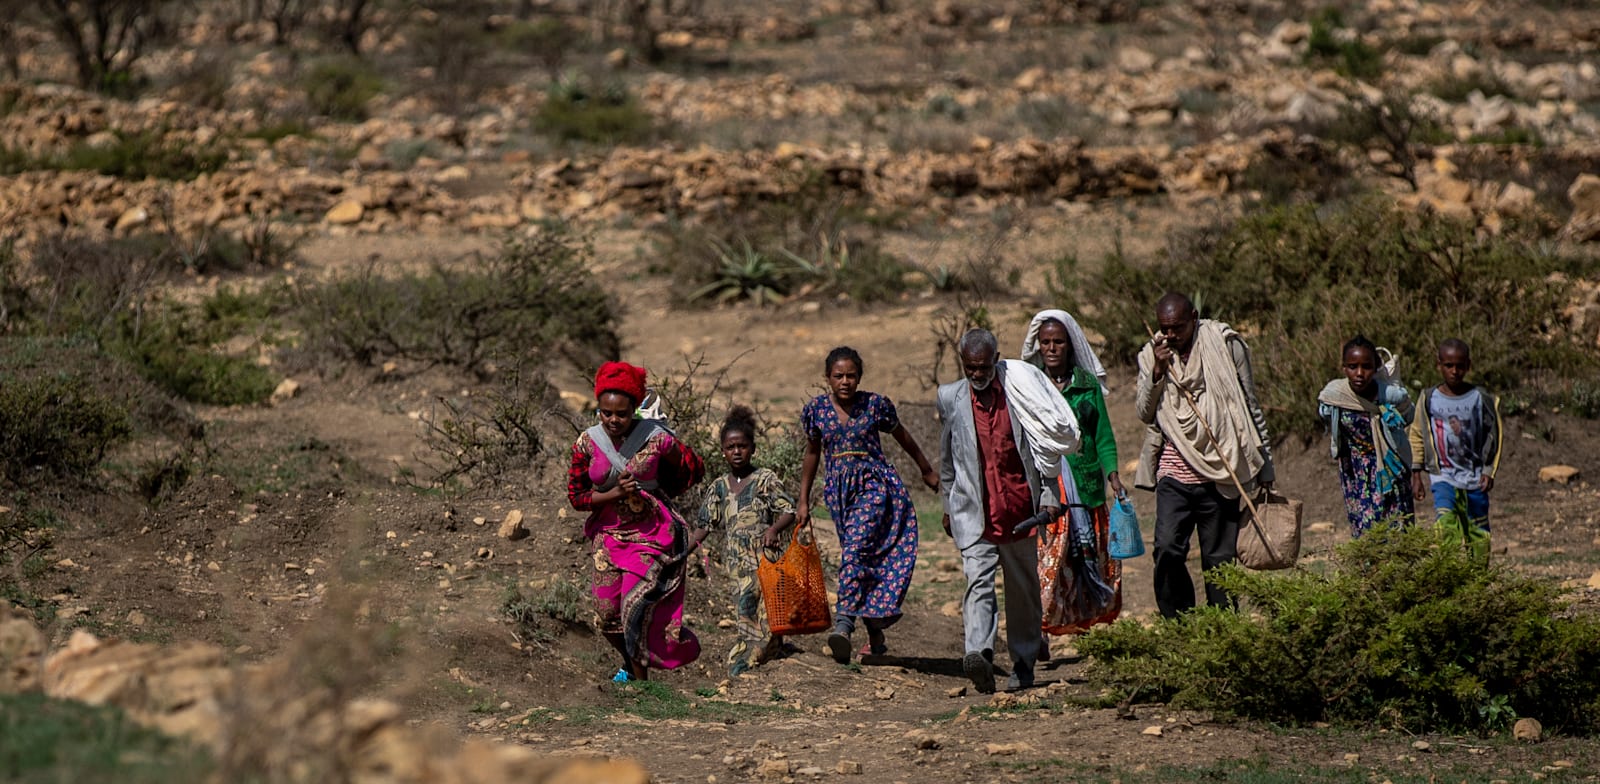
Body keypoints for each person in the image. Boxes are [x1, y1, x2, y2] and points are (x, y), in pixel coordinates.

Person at [939, 329, 1081, 693]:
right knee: (977, 583)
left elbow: (1043, 450)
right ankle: (980, 655)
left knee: (1022, 593)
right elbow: (947, 460)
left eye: (983, 366)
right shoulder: (950, 397)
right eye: (970, 367)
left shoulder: (1019, 393)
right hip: (975, 513)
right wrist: (947, 505)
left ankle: (1023, 662)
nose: (976, 374)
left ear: (996, 359)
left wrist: (1049, 494)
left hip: (1020, 512)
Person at [1135, 293, 1274, 618]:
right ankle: (1180, 623)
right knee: (1167, 548)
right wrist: (1158, 370)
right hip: (1174, 472)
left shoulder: (1225, 345)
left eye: (1178, 328)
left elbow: (1249, 403)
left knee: (1219, 560)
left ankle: (1221, 630)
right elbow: (1144, 411)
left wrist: (1266, 465)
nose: (1170, 335)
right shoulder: (1150, 354)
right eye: (1164, 328)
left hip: (1222, 470)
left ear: (1194, 318)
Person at [567, 361, 706, 681]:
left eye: (621, 414)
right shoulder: (587, 443)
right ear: (598, 409)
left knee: (634, 608)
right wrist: (613, 493)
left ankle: (641, 687)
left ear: (635, 410)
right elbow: (577, 497)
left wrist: (666, 469)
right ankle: (631, 664)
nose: (613, 420)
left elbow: (694, 469)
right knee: (606, 615)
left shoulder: (656, 438)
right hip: (609, 534)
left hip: (652, 533)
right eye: (606, 413)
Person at [798, 347, 938, 665]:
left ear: (859, 377)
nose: (845, 381)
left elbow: (902, 435)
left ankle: (844, 623)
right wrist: (803, 500)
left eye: (851, 375)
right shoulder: (817, 410)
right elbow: (812, 454)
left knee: (854, 553)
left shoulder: (875, 405)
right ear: (828, 378)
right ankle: (875, 633)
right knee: (862, 560)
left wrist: (926, 469)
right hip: (838, 492)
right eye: (838, 376)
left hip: (876, 488)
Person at [1021, 309, 1123, 635]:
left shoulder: (1086, 385)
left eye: (1058, 342)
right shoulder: (1029, 386)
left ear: (1069, 345)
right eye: (1046, 342)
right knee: (1047, 566)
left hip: (1085, 485)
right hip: (1047, 488)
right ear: (1038, 345)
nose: (1051, 348)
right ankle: (1039, 630)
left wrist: (1113, 474)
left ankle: (1084, 627)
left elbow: (1102, 435)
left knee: (1085, 561)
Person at [697, 405, 799, 677]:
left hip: (765, 557)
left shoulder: (764, 479)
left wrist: (774, 530)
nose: (737, 451)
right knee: (745, 610)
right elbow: (706, 524)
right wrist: (685, 547)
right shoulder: (719, 486)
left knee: (768, 610)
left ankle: (762, 655)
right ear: (722, 450)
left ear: (753, 448)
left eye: (742, 446)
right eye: (731, 447)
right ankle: (748, 657)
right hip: (737, 564)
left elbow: (789, 511)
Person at [1408, 339, 1501, 563]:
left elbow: (1494, 435)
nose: (1454, 371)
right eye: (1448, 365)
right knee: (1445, 526)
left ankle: (1477, 581)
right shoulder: (1429, 398)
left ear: (1468, 365)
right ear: (1438, 365)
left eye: (1459, 366)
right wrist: (1416, 472)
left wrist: (1489, 469)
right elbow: (1418, 433)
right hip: (1443, 476)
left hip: (1474, 477)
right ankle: (1448, 575)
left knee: (1477, 532)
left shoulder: (1480, 398)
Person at [1317, 336, 1416, 537]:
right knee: (1364, 528)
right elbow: (1324, 412)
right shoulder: (1336, 395)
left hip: (1389, 467)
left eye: (1367, 367)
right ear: (1344, 368)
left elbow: (1408, 415)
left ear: (1376, 367)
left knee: (1396, 526)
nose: (1360, 373)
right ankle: (1369, 568)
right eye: (1353, 367)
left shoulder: (1389, 395)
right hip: (1355, 472)